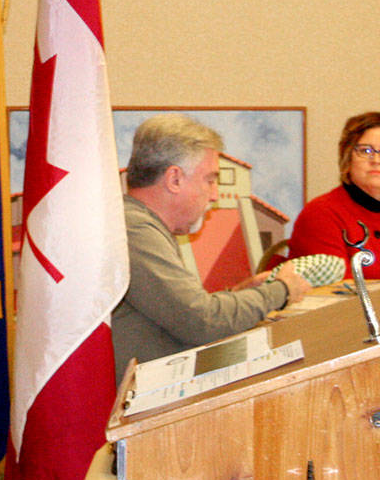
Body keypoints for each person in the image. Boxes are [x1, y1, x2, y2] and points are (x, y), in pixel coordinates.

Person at [111, 114, 311, 382]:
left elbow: (180, 312)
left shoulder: (139, 224)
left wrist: (237, 294)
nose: (215, 194)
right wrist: (282, 291)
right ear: (174, 179)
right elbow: (202, 322)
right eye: (209, 179)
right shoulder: (134, 230)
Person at [288, 111, 380, 281]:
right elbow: (335, 295)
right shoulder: (321, 215)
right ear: (347, 158)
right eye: (365, 150)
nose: (376, 160)